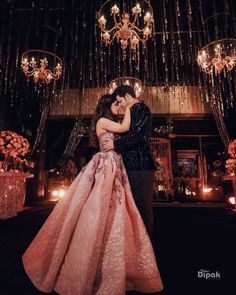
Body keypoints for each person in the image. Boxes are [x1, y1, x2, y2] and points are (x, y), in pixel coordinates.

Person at [22, 94, 163, 295]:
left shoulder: (108, 121)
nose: (119, 106)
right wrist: (131, 106)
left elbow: (125, 131)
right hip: (106, 164)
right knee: (98, 205)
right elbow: (125, 128)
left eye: (120, 103)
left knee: (114, 208)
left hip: (114, 164)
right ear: (107, 105)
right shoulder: (103, 121)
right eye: (116, 104)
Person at [102, 85, 156, 238]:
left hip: (141, 166)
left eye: (119, 101)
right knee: (133, 207)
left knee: (142, 207)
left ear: (127, 96)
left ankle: (146, 247)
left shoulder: (140, 108)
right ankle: (137, 244)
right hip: (133, 166)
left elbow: (139, 136)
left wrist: (115, 144)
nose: (120, 105)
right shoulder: (132, 111)